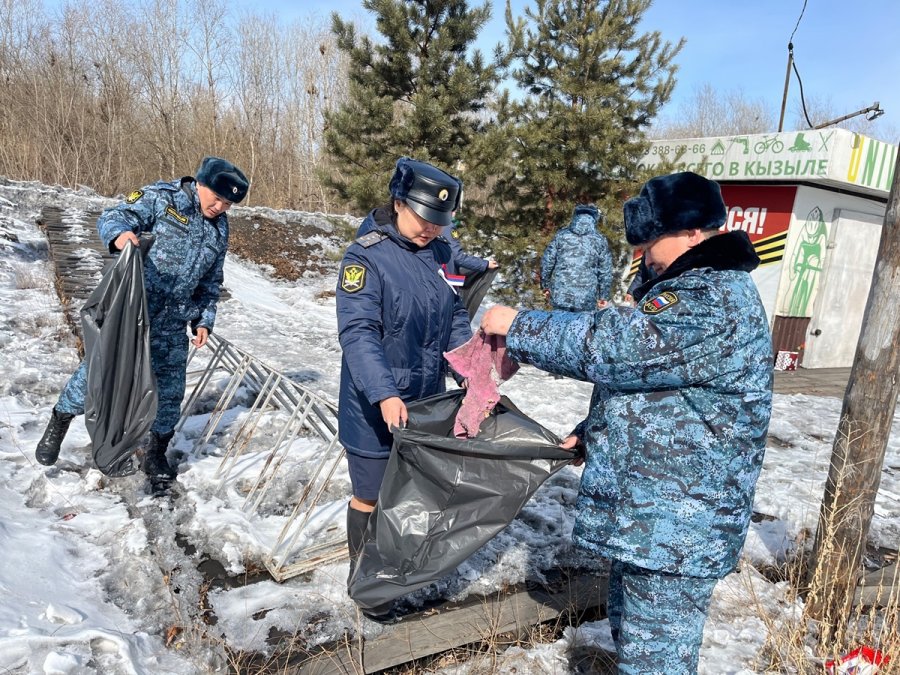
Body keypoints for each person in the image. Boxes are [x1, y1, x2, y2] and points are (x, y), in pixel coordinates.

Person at [481, 172, 773, 673]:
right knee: (635, 646)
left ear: (692, 233)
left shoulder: (711, 298)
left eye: (650, 242)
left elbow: (617, 349)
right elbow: (654, 385)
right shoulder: (688, 288)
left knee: (655, 662)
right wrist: (593, 430)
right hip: (653, 519)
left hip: (677, 527)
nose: (643, 256)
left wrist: (519, 325)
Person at [35, 156, 249, 490]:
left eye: (229, 204)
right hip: (133, 312)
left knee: (169, 392)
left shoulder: (220, 227)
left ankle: (155, 453)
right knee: (98, 373)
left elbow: (211, 279)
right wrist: (120, 235)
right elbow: (116, 216)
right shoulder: (163, 198)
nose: (221, 207)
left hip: (172, 321)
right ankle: (59, 422)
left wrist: (205, 319)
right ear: (201, 184)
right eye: (217, 198)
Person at [336, 157, 472, 591]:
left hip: (425, 401)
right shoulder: (365, 257)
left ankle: (400, 570)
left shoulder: (443, 252)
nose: (431, 228)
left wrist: (467, 368)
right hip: (374, 404)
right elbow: (358, 334)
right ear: (398, 202)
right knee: (371, 493)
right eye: (423, 217)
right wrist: (384, 393)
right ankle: (362, 576)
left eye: (439, 220)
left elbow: (455, 317)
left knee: (412, 493)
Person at [540, 203, 613, 311]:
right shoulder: (599, 240)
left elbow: (547, 261)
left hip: (561, 294)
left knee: (559, 326)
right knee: (582, 327)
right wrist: (603, 295)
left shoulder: (561, 235)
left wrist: (545, 285)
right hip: (587, 298)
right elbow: (605, 271)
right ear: (595, 219)